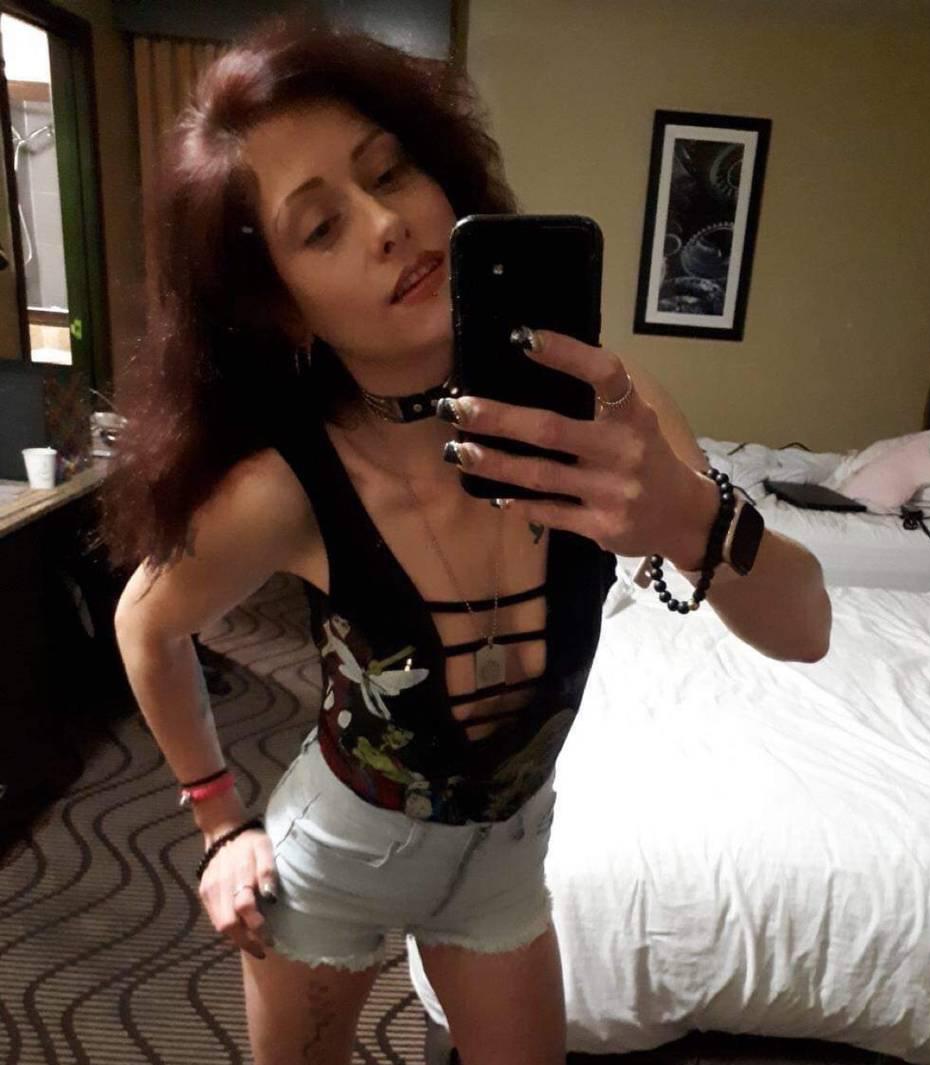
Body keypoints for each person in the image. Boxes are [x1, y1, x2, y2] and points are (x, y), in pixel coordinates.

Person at [103, 16, 831, 1065]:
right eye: (321, 227)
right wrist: (218, 822)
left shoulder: (606, 410)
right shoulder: (285, 486)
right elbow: (146, 625)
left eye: (389, 173)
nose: (386, 224)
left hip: (505, 860)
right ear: (283, 311)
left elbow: (806, 630)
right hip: (335, 860)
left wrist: (684, 517)